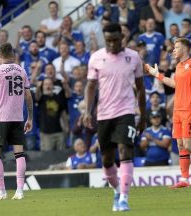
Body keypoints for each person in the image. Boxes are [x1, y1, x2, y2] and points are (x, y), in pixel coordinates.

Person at [83, 23, 146, 211]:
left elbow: (141, 87)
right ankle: (117, 191)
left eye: (115, 40)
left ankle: (125, 198)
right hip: (104, 115)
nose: (111, 44)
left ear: (122, 38)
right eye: (108, 40)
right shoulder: (96, 58)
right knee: (107, 160)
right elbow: (91, 86)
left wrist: (142, 115)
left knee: (126, 152)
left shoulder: (133, 57)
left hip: (126, 112)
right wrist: (87, 111)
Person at [146, 37, 191, 188]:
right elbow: (174, 84)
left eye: (176, 47)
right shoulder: (179, 66)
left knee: (189, 144)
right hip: (177, 109)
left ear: (185, 48)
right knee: (180, 144)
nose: (173, 49)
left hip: (189, 108)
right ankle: (185, 180)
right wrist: (157, 74)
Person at [0, 42, 33, 200]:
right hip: (18, 118)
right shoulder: (22, 70)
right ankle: (20, 191)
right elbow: (28, 97)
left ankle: (1, 191)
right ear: (13, 54)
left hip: (1, 118)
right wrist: (30, 117)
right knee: (19, 153)